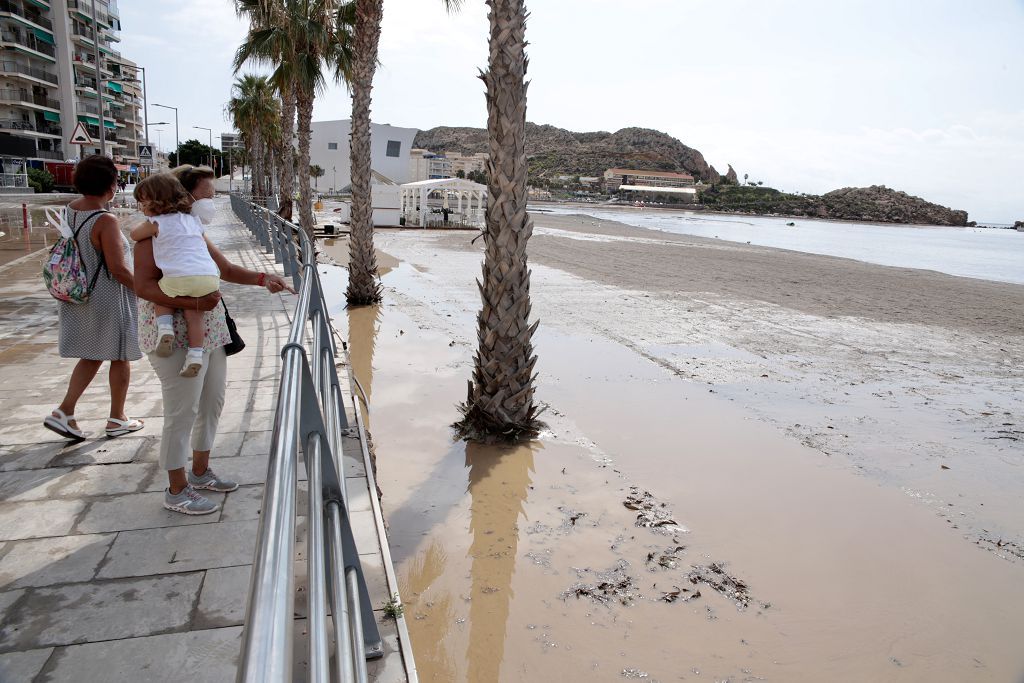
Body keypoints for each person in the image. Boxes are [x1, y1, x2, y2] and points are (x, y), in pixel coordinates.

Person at [134, 172, 294, 514]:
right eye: (205, 195)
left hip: (211, 330)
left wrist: (266, 279)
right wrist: (192, 304)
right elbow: (144, 286)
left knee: (211, 403)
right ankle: (176, 490)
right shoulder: (152, 235)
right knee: (182, 411)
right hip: (171, 335)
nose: (210, 202)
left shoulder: (194, 231)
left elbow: (226, 269)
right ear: (183, 196)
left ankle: (201, 471)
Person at [43, 155, 144, 441]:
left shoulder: (71, 210)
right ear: (111, 185)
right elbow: (119, 269)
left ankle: (65, 411)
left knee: (92, 355)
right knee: (120, 355)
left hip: (80, 294)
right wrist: (147, 291)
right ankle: (117, 418)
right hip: (108, 298)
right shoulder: (105, 220)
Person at [130, 175, 220, 378]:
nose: (141, 208)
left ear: (155, 202)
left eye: (143, 203)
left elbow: (134, 234)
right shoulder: (193, 221)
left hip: (179, 279)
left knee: (163, 291)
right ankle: (196, 355)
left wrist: (144, 224)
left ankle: (164, 328)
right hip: (209, 278)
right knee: (194, 317)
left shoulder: (156, 222)